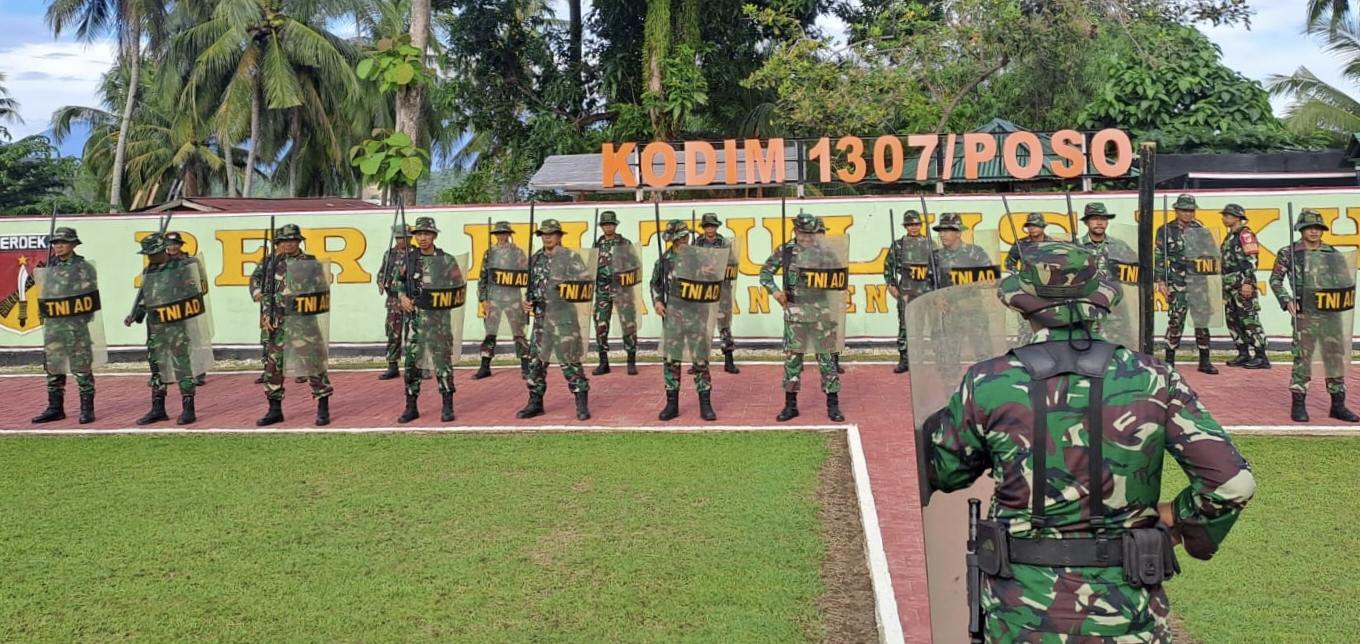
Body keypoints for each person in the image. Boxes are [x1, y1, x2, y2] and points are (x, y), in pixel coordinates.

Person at [919, 241, 1256, 641]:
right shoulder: (1153, 377)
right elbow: (1233, 483)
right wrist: (1179, 518)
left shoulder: (989, 381)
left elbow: (948, 471)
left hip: (1020, 613)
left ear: (1023, 305)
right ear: (1099, 303)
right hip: (1127, 611)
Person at [1269, 208, 1359, 423]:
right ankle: (1298, 404)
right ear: (1301, 229)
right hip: (1305, 315)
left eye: (1318, 228)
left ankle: (1338, 405)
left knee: (1334, 358)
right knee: (1303, 358)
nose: (1314, 232)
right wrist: (1285, 300)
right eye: (1309, 228)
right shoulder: (1289, 253)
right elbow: (1275, 280)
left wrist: (1343, 302)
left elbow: (1345, 281)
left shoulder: (1332, 253)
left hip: (1330, 314)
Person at [759, 212, 846, 422]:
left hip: (821, 313)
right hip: (795, 313)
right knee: (793, 361)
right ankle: (791, 405)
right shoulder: (786, 251)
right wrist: (776, 292)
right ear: (795, 231)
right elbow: (765, 273)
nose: (806, 237)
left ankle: (832, 405)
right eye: (802, 233)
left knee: (827, 360)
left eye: (810, 233)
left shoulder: (826, 252)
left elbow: (838, 280)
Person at [252, 224, 334, 426]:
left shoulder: (309, 262)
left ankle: (323, 406)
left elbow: (320, 288)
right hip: (277, 322)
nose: (288, 244)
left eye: (292, 240)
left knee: (313, 363)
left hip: (302, 321)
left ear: (299, 242)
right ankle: (274, 409)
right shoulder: (270, 262)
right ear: (278, 243)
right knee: (272, 367)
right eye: (284, 241)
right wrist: (260, 303)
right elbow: (256, 281)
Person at [517, 218, 592, 420]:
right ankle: (535, 402)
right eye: (544, 234)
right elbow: (531, 288)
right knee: (535, 362)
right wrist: (528, 302)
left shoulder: (570, 257)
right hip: (541, 319)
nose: (547, 237)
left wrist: (565, 290)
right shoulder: (535, 259)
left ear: (559, 236)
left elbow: (584, 283)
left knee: (570, 360)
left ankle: (581, 402)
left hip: (564, 317)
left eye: (551, 234)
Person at [126, 233, 202, 425]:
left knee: (181, 365)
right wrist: (136, 314)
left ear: (162, 249)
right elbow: (145, 298)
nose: (151, 257)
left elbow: (192, 295)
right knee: (157, 366)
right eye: (148, 254)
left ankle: (188, 408)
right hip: (155, 327)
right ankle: (158, 408)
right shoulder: (149, 271)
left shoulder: (181, 268)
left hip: (175, 325)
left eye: (154, 253)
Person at [394, 217, 464, 423]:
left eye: (426, 234)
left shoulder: (446, 260)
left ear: (434, 235)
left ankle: (447, 406)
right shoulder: (408, 259)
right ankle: (411, 406)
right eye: (419, 234)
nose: (422, 238)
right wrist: (402, 296)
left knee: (443, 364)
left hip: (439, 322)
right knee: (412, 365)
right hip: (416, 323)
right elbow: (397, 282)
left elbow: (458, 286)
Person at [652, 220, 722, 421]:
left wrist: (711, 276)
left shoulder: (699, 258)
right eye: (680, 237)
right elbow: (655, 284)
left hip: (696, 316)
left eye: (685, 237)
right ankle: (671, 404)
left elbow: (714, 281)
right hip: (672, 317)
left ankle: (705, 404)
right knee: (671, 361)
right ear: (673, 240)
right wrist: (657, 301)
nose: (684, 240)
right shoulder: (663, 261)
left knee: (700, 360)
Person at [30, 226, 101, 424]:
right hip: (53, 326)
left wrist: (76, 319)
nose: (58, 246)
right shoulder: (49, 266)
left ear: (72, 244)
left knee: (82, 368)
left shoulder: (83, 267)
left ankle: (87, 409)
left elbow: (89, 299)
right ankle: (55, 408)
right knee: (53, 368)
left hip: (75, 326)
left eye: (63, 242)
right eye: (55, 243)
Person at [1154, 193, 1218, 374]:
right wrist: (1161, 281)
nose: (1189, 214)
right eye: (1184, 210)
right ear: (1176, 211)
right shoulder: (1165, 230)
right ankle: (1170, 360)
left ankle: (1204, 360)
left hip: (1198, 282)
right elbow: (1159, 257)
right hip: (1177, 281)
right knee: (1176, 319)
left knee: (1202, 320)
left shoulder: (1201, 230)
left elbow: (1212, 254)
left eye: (1191, 210)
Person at [473, 220, 530, 380]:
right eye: (498, 233)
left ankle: (526, 366)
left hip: (513, 298)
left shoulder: (517, 252)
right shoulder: (489, 253)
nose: (501, 236)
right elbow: (482, 277)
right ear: (495, 235)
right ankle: (485, 366)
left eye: (504, 233)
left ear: (508, 234)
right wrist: (483, 299)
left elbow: (527, 275)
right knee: (490, 333)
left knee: (519, 332)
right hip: (494, 298)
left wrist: (527, 298)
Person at [882, 210, 933, 374]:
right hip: (906, 292)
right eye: (910, 224)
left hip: (926, 292)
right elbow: (888, 267)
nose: (913, 227)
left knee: (924, 326)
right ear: (906, 226)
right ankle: (905, 359)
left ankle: (920, 360)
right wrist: (892, 286)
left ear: (921, 225)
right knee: (905, 327)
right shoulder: (898, 245)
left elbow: (938, 268)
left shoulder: (930, 244)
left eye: (916, 224)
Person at [1219, 204, 1269, 369]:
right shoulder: (1230, 237)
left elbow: (1252, 259)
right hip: (1229, 285)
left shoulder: (1245, 235)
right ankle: (1243, 353)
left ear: (1237, 217)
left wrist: (1248, 282)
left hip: (1241, 283)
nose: (1224, 218)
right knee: (1233, 320)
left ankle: (1261, 355)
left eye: (1227, 215)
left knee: (1249, 319)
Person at [591, 210, 639, 375]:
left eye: (610, 224)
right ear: (602, 227)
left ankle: (631, 360)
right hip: (603, 291)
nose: (608, 227)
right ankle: (603, 361)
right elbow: (591, 267)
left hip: (622, 290)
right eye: (605, 225)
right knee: (600, 325)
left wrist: (624, 273)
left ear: (615, 225)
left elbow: (635, 264)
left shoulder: (624, 243)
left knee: (628, 325)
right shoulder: (597, 244)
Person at [692, 212, 740, 374]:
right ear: (704, 227)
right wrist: (701, 269)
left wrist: (718, 268)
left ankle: (729, 360)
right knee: (701, 326)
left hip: (721, 288)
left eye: (712, 226)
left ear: (717, 227)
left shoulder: (724, 243)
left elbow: (732, 263)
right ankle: (699, 362)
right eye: (707, 226)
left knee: (724, 324)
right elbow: (690, 263)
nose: (710, 229)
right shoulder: (697, 242)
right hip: (703, 289)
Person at [164, 231, 209, 386]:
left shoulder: (191, 262)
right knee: (171, 341)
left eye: (175, 244)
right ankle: (172, 372)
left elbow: (202, 284)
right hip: (169, 308)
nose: (172, 247)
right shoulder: (160, 263)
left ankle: (198, 372)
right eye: (169, 244)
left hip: (189, 306)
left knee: (193, 339)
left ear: (180, 245)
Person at [376, 223, 411, 380]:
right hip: (393, 299)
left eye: (403, 238)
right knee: (393, 333)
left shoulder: (415, 254)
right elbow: (382, 272)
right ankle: (392, 364)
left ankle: (415, 365)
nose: (400, 241)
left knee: (412, 334)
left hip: (411, 299)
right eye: (397, 238)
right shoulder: (389, 254)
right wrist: (380, 282)